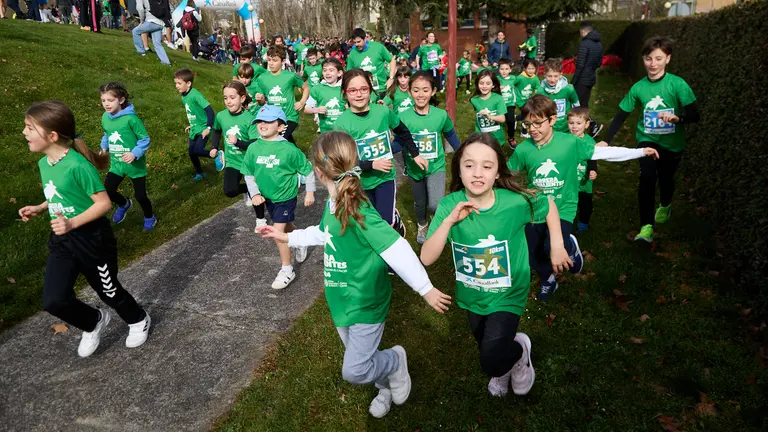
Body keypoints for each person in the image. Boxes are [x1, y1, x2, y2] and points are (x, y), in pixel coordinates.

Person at [257, 131, 451, 418]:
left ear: (318, 171)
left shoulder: (360, 210)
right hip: (341, 299)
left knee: (355, 369)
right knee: (361, 359)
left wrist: (426, 288)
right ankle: (385, 386)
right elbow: (325, 233)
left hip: (366, 300)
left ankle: (396, 362)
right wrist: (288, 238)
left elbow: (396, 248)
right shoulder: (333, 203)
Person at [421, 132, 569, 398]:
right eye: (469, 165)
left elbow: (547, 204)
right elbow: (427, 258)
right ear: (459, 169)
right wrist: (448, 222)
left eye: (487, 166)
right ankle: (508, 361)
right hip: (472, 294)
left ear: (498, 172)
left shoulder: (513, 203)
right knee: (486, 344)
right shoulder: (448, 205)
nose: (477, 173)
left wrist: (557, 245)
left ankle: (518, 354)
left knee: (489, 359)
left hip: (508, 292)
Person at [18, 100, 150, 358]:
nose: (24, 133)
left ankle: (138, 319)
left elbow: (103, 203)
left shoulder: (79, 166)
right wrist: (41, 206)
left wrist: (72, 222)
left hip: (92, 240)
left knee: (109, 291)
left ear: (52, 135)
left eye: (29, 128)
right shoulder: (46, 163)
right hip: (62, 239)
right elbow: (60, 192)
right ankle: (93, 321)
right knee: (53, 300)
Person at [508, 95, 660, 300]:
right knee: (531, 254)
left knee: (550, 245)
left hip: (563, 207)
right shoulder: (524, 149)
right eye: (528, 124)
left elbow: (604, 153)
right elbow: (508, 175)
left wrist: (640, 152)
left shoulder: (570, 142)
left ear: (552, 120)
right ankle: (548, 280)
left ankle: (570, 248)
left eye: (537, 123)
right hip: (536, 208)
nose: (532, 129)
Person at [598, 36, 698, 243]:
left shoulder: (678, 85)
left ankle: (666, 204)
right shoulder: (638, 88)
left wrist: (678, 119)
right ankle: (646, 227)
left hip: (672, 143)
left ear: (668, 59)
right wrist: (606, 140)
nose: (653, 64)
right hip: (647, 140)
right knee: (647, 178)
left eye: (658, 59)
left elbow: (695, 115)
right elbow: (620, 115)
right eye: (648, 58)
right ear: (643, 59)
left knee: (666, 180)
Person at [332, 69, 428, 235]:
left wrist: (415, 154)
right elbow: (343, 162)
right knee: (368, 221)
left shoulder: (383, 112)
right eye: (352, 90)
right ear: (344, 93)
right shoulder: (341, 124)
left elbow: (403, 131)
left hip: (385, 178)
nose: (359, 94)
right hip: (359, 181)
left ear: (370, 90)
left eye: (364, 89)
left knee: (385, 222)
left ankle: (393, 223)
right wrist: (371, 164)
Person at [241, 105, 316, 290]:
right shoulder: (253, 148)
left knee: (277, 232)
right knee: (287, 226)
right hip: (269, 198)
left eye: (268, 121)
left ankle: (287, 269)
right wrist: (256, 193)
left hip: (286, 197)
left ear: (281, 126)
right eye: (259, 121)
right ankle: (300, 241)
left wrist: (310, 192)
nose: (262, 125)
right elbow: (248, 173)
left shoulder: (289, 150)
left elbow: (308, 170)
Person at [398, 71, 461, 243]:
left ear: (433, 91)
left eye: (425, 90)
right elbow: (399, 142)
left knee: (434, 204)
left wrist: (463, 153)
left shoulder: (440, 115)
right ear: (409, 92)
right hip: (414, 169)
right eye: (416, 90)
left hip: (436, 167)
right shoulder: (403, 117)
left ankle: (436, 219)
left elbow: (451, 135)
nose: (420, 94)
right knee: (420, 203)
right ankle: (422, 224)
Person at [98, 82, 157, 230]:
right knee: (109, 191)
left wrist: (134, 153)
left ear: (122, 100)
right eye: (103, 100)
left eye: (110, 100)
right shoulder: (105, 117)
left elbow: (145, 139)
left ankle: (150, 216)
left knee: (141, 196)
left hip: (134, 164)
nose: (106, 104)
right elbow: (107, 133)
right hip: (117, 163)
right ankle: (124, 204)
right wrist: (104, 147)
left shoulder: (132, 119)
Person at [209, 81, 266, 228]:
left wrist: (238, 142)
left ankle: (260, 220)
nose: (228, 101)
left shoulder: (250, 119)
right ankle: (249, 189)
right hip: (232, 161)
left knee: (256, 194)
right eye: (225, 98)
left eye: (232, 97)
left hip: (248, 163)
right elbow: (216, 130)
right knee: (230, 191)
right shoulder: (221, 116)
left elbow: (255, 143)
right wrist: (214, 147)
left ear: (242, 98)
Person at [252, 46, 309, 145]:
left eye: (275, 60)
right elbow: (262, 103)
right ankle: (298, 157)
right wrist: (260, 99)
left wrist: (302, 101)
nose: (271, 63)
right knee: (286, 141)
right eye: (269, 60)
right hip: (274, 118)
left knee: (278, 139)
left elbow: (306, 88)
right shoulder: (262, 78)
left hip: (290, 116)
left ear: (282, 62)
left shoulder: (290, 76)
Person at [173, 68, 222, 181]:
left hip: (203, 128)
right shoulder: (184, 95)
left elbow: (209, 110)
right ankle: (200, 173)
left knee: (197, 150)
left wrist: (208, 128)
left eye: (179, 83)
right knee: (191, 152)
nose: (176, 86)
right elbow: (194, 112)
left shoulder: (195, 95)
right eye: (176, 83)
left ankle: (215, 154)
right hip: (195, 128)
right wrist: (192, 124)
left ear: (188, 83)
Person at [567, 107, 598, 233]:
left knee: (586, 204)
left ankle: (583, 223)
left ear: (586, 125)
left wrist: (593, 170)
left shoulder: (590, 142)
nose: (574, 126)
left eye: (578, 123)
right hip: (568, 181)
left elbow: (593, 158)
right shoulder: (564, 140)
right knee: (568, 203)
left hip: (584, 182)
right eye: (571, 123)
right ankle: (566, 222)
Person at [572, 20, 604, 138]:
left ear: (582, 31)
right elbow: (599, 63)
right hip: (591, 77)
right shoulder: (599, 44)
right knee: (584, 105)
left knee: (576, 105)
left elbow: (580, 65)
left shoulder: (584, 44)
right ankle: (587, 128)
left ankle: (592, 125)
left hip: (582, 79)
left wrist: (573, 81)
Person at [346, 28, 396, 99]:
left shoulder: (378, 47)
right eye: (354, 42)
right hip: (363, 91)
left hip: (381, 89)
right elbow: (349, 73)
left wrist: (391, 78)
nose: (356, 45)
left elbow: (392, 60)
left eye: (359, 42)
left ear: (365, 39)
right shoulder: (352, 53)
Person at [304, 57, 345, 133]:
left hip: (344, 129)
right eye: (324, 70)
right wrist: (316, 110)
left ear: (339, 73)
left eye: (331, 70)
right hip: (325, 130)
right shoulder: (317, 89)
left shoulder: (345, 88)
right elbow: (306, 109)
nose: (327, 73)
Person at [539, 58, 580, 133]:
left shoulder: (568, 89)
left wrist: (576, 120)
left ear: (561, 75)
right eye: (549, 76)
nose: (552, 79)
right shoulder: (540, 91)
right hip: (549, 128)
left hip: (566, 127)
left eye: (555, 76)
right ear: (544, 74)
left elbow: (576, 104)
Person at [470, 69, 507, 146]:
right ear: (477, 84)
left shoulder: (498, 98)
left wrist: (490, 116)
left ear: (493, 85)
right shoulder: (474, 100)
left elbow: (502, 119)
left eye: (488, 83)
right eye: (481, 83)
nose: (484, 86)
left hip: (496, 137)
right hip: (480, 137)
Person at [132, 0, 171, 65]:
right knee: (157, 43)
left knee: (135, 31)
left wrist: (141, 21)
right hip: (160, 23)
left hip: (151, 21)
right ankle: (166, 62)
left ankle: (141, 52)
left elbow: (140, 8)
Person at [514, 58, 539, 138]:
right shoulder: (520, 77)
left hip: (529, 100)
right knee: (528, 115)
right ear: (524, 68)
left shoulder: (535, 78)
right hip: (520, 100)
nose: (531, 71)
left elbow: (538, 87)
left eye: (533, 68)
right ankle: (524, 132)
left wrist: (536, 92)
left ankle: (516, 118)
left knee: (527, 114)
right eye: (529, 68)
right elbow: (512, 84)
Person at [497, 58, 517, 147]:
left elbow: (520, 86)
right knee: (498, 122)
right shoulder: (496, 79)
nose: (504, 71)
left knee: (510, 120)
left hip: (510, 104)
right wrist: (497, 88)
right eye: (502, 69)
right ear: (498, 69)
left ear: (510, 70)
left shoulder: (513, 78)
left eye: (506, 69)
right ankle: (497, 139)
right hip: (499, 104)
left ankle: (511, 138)